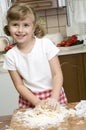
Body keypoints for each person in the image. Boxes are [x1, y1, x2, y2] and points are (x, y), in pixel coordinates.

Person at [3, 3, 67, 109]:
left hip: (54, 95)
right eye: (15, 25)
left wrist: (54, 98)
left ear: (34, 28)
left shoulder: (45, 44)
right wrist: (36, 102)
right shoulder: (10, 56)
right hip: (30, 99)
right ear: (8, 27)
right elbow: (19, 85)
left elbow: (57, 74)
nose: (20, 30)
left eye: (26, 25)